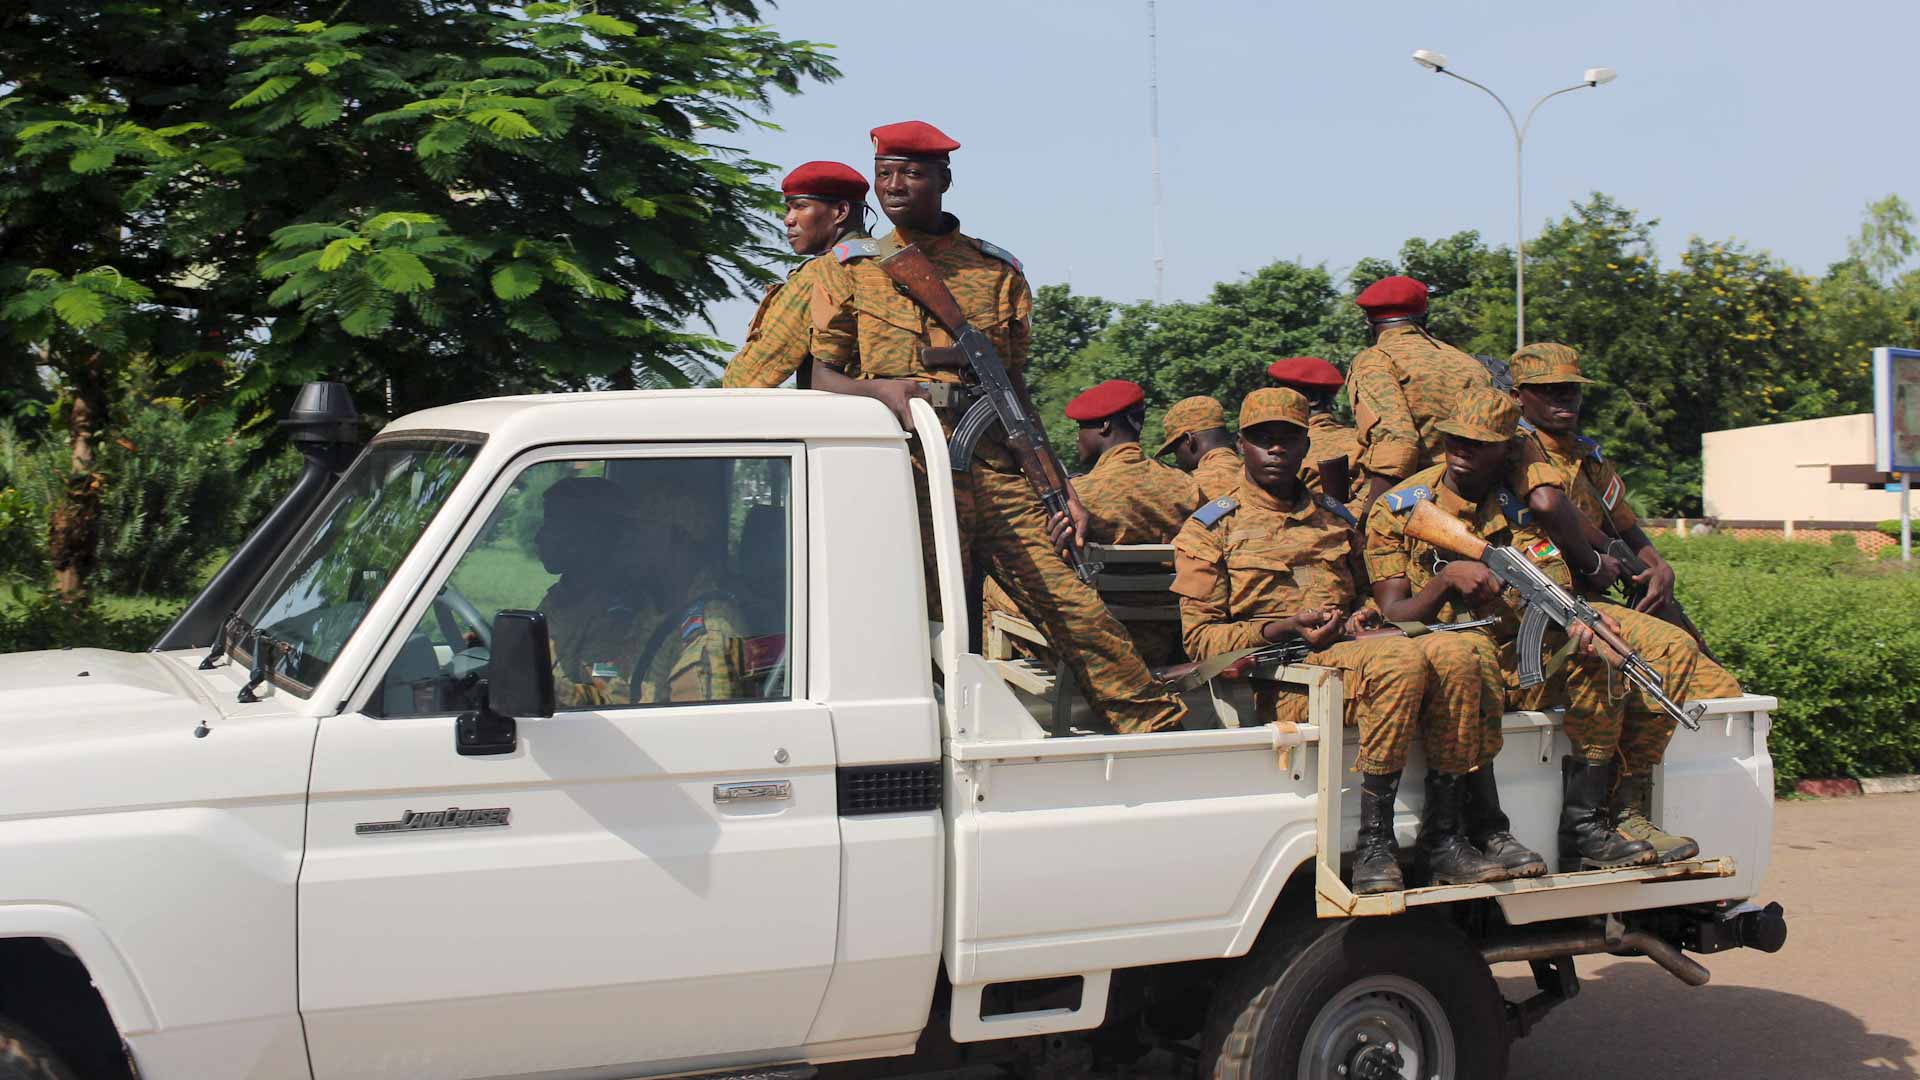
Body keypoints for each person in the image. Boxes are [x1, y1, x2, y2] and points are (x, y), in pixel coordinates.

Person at [806, 120, 1186, 734]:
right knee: (918, 620)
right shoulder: (848, 268)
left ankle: (1156, 731)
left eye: (912, 172)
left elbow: (1014, 392)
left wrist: (1058, 486)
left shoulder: (996, 271)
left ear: (944, 180)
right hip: (906, 470)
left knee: (1073, 604)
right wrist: (886, 392)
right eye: (884, 173)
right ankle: (921, 747)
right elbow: (822, 381)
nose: (895, 185)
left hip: (993, 469)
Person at [1365, 388, 1735, 873]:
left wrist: (1586, 613)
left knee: (1647, 647)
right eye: (1455, 441)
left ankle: (1593, 823)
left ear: (1506, 451)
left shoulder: (1522, 507)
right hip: (1455, 654)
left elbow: (1565, 569)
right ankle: (1480, 831)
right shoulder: (1403, 508)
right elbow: (1395, 613)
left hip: (1523, 651)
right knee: (1469, 658)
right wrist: (1444, 580)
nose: (1462, 452)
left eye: (1478, 444)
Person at [1173, 388, 1514, 893]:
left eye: (1286, 439)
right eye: (1260, 439)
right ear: (1241, 446)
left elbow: (1373, 596)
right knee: (1400, 659)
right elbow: (1200, 640)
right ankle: (1375, 843)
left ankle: (1444, 835)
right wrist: (1284, 626)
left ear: (1305, 444)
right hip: (1283, 676)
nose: (1274, 450)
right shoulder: (1211, 529)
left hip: (1355, 657)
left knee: (1457, 650)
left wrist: (1360, 618)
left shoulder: (1338, 518)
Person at [1504, 343, 1743, 855]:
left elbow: (1625, 523)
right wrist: (1598, 559)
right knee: (1662, 654)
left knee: (1724, 693)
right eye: (1548, 391)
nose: (1563, 399)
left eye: (1570, 389)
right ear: (1519, 397)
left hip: (1601, 598)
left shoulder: (1587, 454)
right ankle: (1622, 808)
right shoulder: (1516, 449)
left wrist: (1656, 566)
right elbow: (1549, 507)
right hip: (1549, 600)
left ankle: (1636, 797)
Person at [1062, 378, 1203, 666]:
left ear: (1104, 427)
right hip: (1172, 637)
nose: (1077, 438)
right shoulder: (1186, 486)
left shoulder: (1080, 496)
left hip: (1103, 642)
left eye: (1081, 428)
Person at [1346, 275, 1495, 507]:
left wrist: (1370, 519)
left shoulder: (1376, 360)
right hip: (1475, 501)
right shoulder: (1469, 364)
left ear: (1369, 322)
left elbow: (1395, 444)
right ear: (1423, 316)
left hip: (1411, 503)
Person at [721, 161, 872, 389]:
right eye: (788, 209)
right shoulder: (890, 262)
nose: (788, 219)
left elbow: (747, 380)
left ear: (841, 211)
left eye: (800, 206)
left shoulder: (819, 275)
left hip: (845, 420)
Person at [535, 477, 657, 708]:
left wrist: (536, 686)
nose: (539, 537)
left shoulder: (620, 612)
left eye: (554, 525)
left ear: (591, 533)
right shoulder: (564, 596)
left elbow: (614, 702)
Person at [1266, 355, 1358, 503]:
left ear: (1312, 399)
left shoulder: (1286, 448)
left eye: (1280, 393)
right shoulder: (1362, 442)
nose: (1272, 400)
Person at [1158, 395, 1241, 500]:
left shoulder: (1191, 488)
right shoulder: (1255, 473)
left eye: (1175, 449)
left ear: (1188, 440)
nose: (1176, 459)